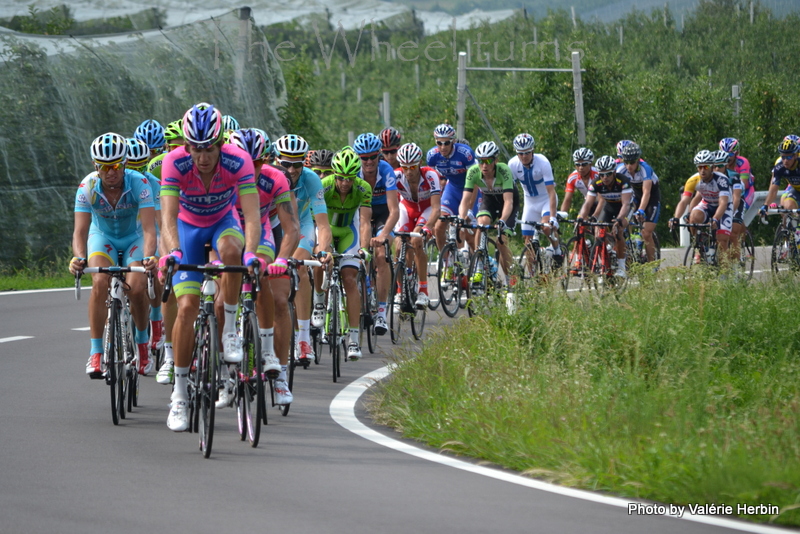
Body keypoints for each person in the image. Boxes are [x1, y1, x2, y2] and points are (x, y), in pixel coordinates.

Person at [159, 102, 262, 432]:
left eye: (209, 148)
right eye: (196, 149)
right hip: (187, 230)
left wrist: (252, 254)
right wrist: (173, 251)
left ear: (221, 144)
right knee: (187, 308)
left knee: (233, 250)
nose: (202, 157)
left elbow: (253, 216)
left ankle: (229, 330)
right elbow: (168, 216)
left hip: (223, 222)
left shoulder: (238, 160)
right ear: (187, 146)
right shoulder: (173, 162)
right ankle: (179, 396)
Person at [69, 133, 157, 379]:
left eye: (116, 165)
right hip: (103, 238)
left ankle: (142, 344)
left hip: (134, 239)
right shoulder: (86, 187)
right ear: (95, 166)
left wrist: (150, 256)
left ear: (125, 163)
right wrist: (79, 258)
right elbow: (80, 231)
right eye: (104, 166)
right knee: (99, 281)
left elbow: (150, 229)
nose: (111, 171)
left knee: (137, 287)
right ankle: (96, 352)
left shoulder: (140, 183)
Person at [268, 134, 332, 371]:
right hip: (272, 226)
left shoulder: (312, 179)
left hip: (302, 225)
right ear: (277, 160)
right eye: (287, 163)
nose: (293, 169)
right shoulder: (270, 176)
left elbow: (322, 224)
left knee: (300, 267)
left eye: (298, 163)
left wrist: (323, 250)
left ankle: (304, 339)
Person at [311, 147, 373, 360]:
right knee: (320, 260)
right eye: (341, 177)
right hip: (326, 228)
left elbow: (364, 221)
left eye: (350, 178)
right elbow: (319, 223)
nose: (345, 183)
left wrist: (364, 248)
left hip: (348, 232)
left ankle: (354, 340)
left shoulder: (363, 188)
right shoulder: (324, 187)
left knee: (349, 279)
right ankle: (319, 301)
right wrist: (322, 249)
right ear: (334, 174)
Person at [345, 133, 399, 335]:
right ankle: (366, 290)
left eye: (372, 157)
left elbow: (394, 210)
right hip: (363, 212)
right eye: (364, 158)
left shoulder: (386, 171)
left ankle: (382, 312)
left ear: (379, 156)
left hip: (384, 213)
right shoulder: (355, 173)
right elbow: (361, 216)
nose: (368, 162)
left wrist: (384, 234)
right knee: (362, 252)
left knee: (381, 255)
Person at [125, 137, 165, 356]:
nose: (138, 172)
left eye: (142, 166)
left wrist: (160, 251)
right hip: (126, 235)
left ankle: (157, 315)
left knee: (155, 269)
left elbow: (160, 222)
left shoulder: (153, 183)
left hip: (150, 233)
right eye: (132, 166)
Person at [459, 141, 518, 279]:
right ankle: (480, 265)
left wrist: (502, 221)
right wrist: (461, 218)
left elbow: (508, 201)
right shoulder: (473, 171)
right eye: (481, 161)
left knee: (501, 241)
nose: (484, 165)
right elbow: (465, 200)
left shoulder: (504, 170)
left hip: (508, 204)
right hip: (489, 201)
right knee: (481, 224)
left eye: (488, 161)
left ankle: (512, 279)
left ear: (496, 160)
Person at [393, 143, 442, 308]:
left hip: (426, 209)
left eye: (412, 167)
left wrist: (428, 227)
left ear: (419, 163)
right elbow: (392, 206)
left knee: (416, 241)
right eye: (404, 167)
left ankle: (423, 290)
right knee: (399, 246)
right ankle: (400, 291)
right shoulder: (396, 176)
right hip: (407, 208)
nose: (408, 172)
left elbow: (436, 208)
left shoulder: (431, 175)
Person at [507, 133, 561, 265]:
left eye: (527, 153)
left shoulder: (543, 162)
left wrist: (553, 217)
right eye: (520, 153)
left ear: (533, 151)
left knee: (547, 228)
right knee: (527, 240)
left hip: (546, 200)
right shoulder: (513, 164)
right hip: (530, 203)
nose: (524, 156)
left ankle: (558, 251)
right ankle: (533, 275)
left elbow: (551, 192)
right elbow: (509, 192)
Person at [578, 155, 632, 277]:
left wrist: (619, 219)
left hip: (625, 207)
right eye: (601, 174)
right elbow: (588, 203)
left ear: (614, 172)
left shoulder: (623, 181)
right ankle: (606, 260)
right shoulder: (596, 183)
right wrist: (581, 216)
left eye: (608, 174)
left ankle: (622, 266)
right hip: (609, 206)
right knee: (598, 231)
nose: (605, 177)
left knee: (618, 230)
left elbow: (626, 204)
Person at [672, 150, 733, 259]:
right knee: (694, 217)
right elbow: (684, 201)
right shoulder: (693, 180)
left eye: (705, 167)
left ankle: (725, 274)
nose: (702, 171)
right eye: (699, 167)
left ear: (712, 167)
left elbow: (723, 203)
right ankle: (700, 247)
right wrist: (676, 218)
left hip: (724, 207)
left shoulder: (721, 179)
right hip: (708, 203)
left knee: (722, 239)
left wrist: (715, 219)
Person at [428, 123, 477, 251]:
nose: (443, 147)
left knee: (466, 234)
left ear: (453, 141)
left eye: (447, 143)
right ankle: (447, 263)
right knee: (439, 226)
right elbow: (433, 184)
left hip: (471, 189)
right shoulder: (432, 156)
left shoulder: (465, 153)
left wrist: (470, 208)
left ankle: (481, 263)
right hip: (453, 189)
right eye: (439, 143)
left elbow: (475, 181)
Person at [616, 142, 660, 262]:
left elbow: (646, 192)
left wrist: (641, 210)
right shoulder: (620, 170)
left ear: (637, 160)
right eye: (626, 162)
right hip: (634, 196)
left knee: (646, 232)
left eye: (632, 162)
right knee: (622, 224)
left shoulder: (645, 168)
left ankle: (652, 265)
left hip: (651, 198)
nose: (629, 166)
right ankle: (630, 249)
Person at [761, 138, 800, 220]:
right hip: (797, 190)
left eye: (789, 157)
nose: (785, 161)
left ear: (796, 155)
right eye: (783, 157)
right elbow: (773, 191)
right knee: (788, 206)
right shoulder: (779, 167)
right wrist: (766, 205)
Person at [561, 147, 597, 215]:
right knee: (579, 224)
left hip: (603, 202)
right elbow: (567, 199)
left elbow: (602, 199)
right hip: (588, 202)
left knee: (599, 224)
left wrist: (595, 216)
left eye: (584, 164)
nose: (580, 168)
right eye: (577, 164)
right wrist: (561, 215)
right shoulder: (572, 178)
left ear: (590, 164)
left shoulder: (598, 175)